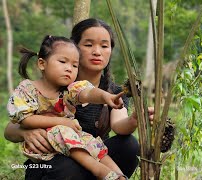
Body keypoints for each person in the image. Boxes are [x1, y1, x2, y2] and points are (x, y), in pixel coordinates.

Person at [4, 18, 154, 179]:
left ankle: (118, 176)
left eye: (104, 46)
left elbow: (114, 120)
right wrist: (25, 133)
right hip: (52, 162)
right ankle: (101, 173)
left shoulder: (105, 91)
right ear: (75, 47)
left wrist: (133, 118)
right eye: (89, 45)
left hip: (90, 151)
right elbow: (12, 127)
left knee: (128, 145)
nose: (97, 51)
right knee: (67, 167)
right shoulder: (52, 85)